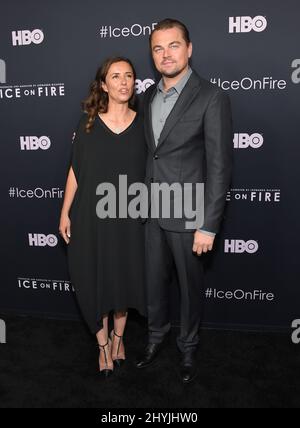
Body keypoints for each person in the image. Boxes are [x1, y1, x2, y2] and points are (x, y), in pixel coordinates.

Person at [136, 19, 233, 383]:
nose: (166, 55)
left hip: (190, 215)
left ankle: (188, 347)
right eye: (158, 48)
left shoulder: (211, 97)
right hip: (149, 211)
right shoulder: (146, 97)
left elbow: (220, 166)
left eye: (173, 45)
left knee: (191, 290)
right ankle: (155, 337)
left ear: (189, 49)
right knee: (153, 285)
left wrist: (209, 224)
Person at [59, 57, 147, 377]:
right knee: (92, 280)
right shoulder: (88, 123)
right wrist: (64, 211)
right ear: (103, 85)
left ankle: (119, 338)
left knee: (123, 281)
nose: (123, 81)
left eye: (129, 76)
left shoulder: (145, 125)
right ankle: (102, 345)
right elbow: (75, 171)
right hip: (89, 218)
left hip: (128, 219)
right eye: (115, 76)